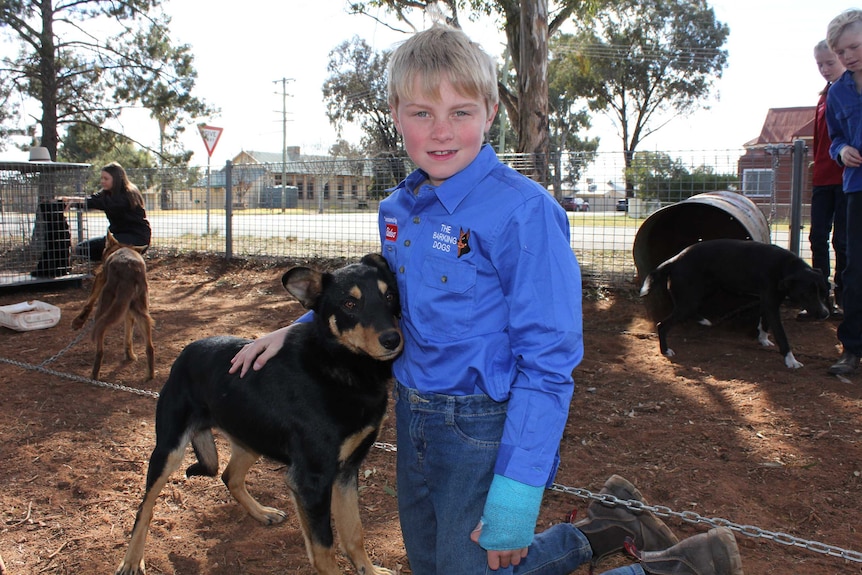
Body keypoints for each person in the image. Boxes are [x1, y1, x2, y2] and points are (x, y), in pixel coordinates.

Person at [230, 25, 743, 575]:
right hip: (412, 412)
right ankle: (612, 525)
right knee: (432, 563)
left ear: (492, 109)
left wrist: (518, 494)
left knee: (474, 567)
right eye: (421, 112)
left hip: (482, 424)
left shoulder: (524, 214)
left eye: (461, 111)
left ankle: (676, 568)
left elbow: (548, 362)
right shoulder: (398, 210)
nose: (441, 130)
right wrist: (297, 328)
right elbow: (381, 300)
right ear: (395, 114)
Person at [826, 9, 862, 375]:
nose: (848, 56)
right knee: (854, 270)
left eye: (854, 46)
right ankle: (852, 349)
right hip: (856, 189)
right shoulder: (839, 93)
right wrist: (841, 151)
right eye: (841, 52)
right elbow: (836, 136)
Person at [803, 40, 846, 319]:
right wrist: (815, 169)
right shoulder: (824, 96)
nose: (824, 68)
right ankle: (819, 299)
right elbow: (820, 140)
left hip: (846, 178)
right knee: (817, 236)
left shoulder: (851, 92)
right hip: (822, 179)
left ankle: (843, 299)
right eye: (820, 64)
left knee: (842, 241)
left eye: (830, 62)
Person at [62, 162, 151, 262]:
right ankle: (106, 265)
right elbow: (92, 200)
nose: (102, 181)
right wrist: (69, 202)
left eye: (106, 178)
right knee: (81, 248)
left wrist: (76, 200)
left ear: (116, 179)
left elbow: (102, 203)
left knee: (99, 248)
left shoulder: (128, 193)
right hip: (117, 236)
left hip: (137, 237)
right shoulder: (106, 193)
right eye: (102, 178)